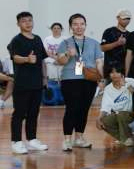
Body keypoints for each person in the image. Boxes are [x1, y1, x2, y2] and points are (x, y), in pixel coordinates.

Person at [54, 13, 103, 151]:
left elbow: (99, 62)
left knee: (84, 109)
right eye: (75, 24)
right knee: (72, 108)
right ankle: (67, 140)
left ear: (85, 25)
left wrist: (101, 78)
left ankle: (79, 138)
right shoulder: (65, 43)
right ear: (71, 27)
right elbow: (60, 61)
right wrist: (67, 54)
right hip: (70, 79)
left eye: (82, 24)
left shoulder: (94, 43)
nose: (79, 27)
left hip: (89, 79)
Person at [7, 12, 48, 155]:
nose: (28, 23)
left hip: (37, 83)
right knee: (19, 113)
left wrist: (45, 78)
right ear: (18, 24)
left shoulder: (37, 39)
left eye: (30, 20)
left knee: (34, 112)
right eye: (24, 21)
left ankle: (32, 139)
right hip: (22, 83)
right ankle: (16, 141)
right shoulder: (16, 40)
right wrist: (27, 59)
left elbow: (42, 60)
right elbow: (15, 57)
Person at [97, 66, 134, 145]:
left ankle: (126, 138)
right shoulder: (108, 88)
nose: (115, 74)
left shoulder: (131, 81)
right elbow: (105, 107)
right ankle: (124, 138)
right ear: (109, 75)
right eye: (112, 72)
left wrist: (126, 85)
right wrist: (99, 118)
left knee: (121, 115)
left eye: (117, 72)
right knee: (104, 121)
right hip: (117, 114)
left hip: (132, 113)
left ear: (122, 73)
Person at [100, 9, 132, 78]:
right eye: (124, 18)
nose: (126, 20)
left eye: (128, 18)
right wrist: (117, 43)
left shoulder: (130, 35)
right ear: (118, 18)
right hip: (110, 71)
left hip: (123, 72)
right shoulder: (109, 31)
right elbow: (102, 48)